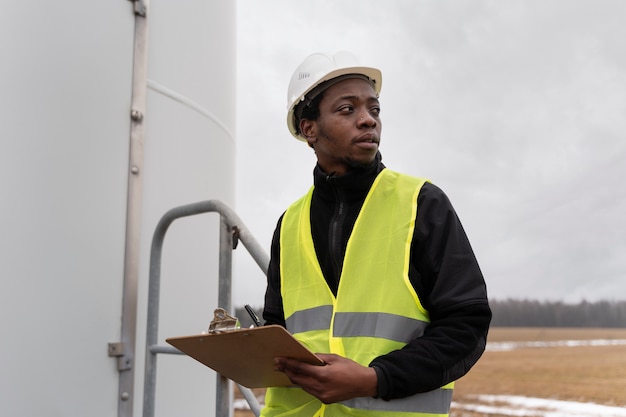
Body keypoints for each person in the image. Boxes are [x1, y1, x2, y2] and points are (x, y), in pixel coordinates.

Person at [260, 51, 491, 417]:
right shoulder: (289, 222)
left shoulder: (422, 203)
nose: (368, 120)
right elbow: (277, 330)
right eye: (347, 109)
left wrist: (376, 378)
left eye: (374, 109)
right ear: (309, 129)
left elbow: (466, 327)